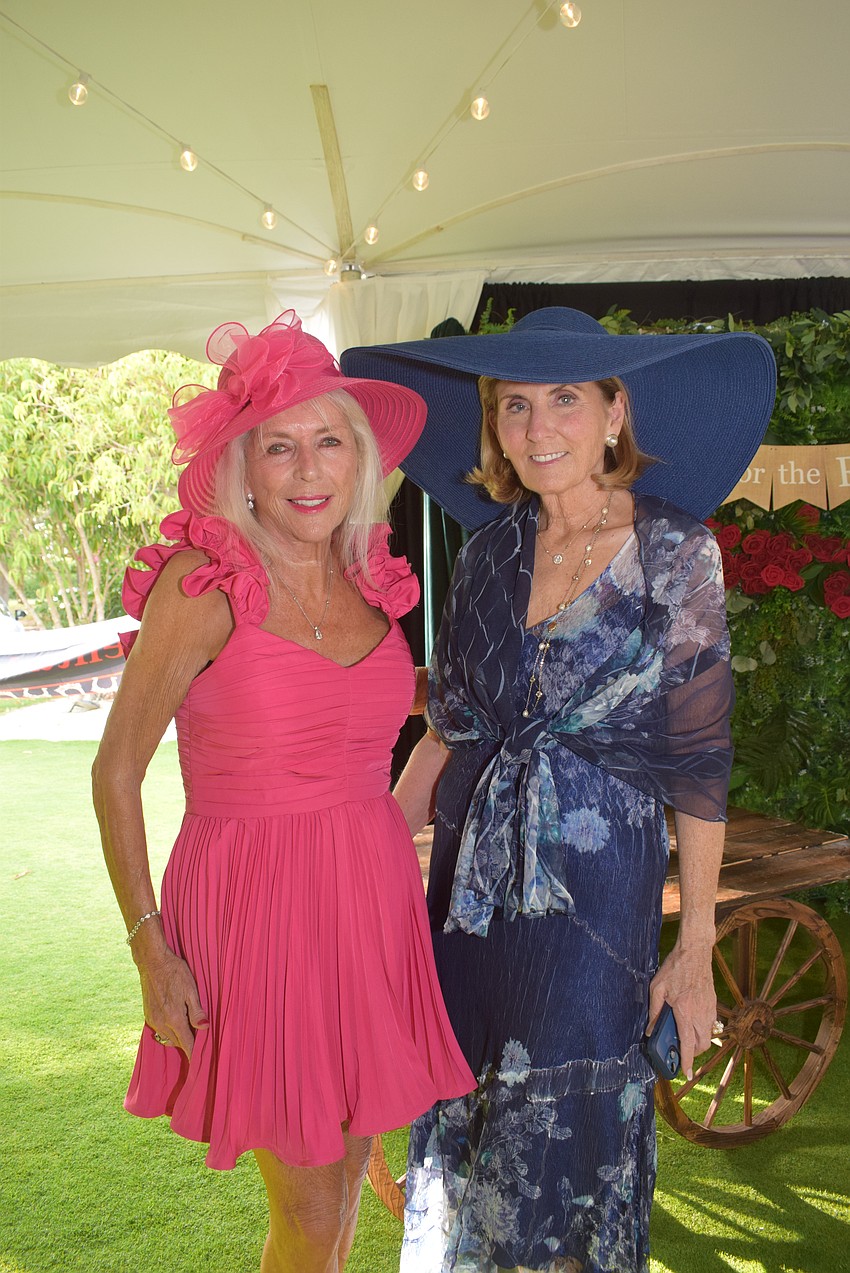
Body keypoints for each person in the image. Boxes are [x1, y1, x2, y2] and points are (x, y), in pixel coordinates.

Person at [340, 308, 776, 1272]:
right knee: (464, 1139)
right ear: (493, 425)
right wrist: (357, 870)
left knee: (568, 1157)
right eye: (515, 405)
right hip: (466, 901)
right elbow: (447, 738)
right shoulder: (487, 555)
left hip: (593, 914)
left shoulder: (677, 555)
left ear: (615, 413)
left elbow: (700, 770)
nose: (540, 428)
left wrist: (695, 945)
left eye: (566, 399)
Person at [92, 311, 474, 1273]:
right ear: (244, 467)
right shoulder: (204, 583)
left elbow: (373, 742)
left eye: (328, 442)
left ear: (358, 457)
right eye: (280, 447)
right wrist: (150, 949)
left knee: (346, 1190)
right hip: (258, 913)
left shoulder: (368, 581)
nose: (308, 471)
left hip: (369, 905)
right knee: (307, 1207)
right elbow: (116, 771)